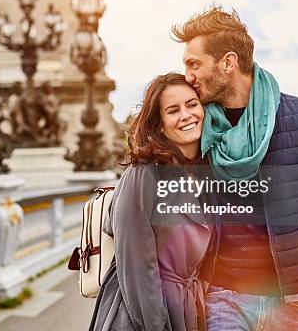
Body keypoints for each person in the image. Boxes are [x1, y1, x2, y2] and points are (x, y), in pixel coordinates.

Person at [172, 6, 298, 331]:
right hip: (221, 295)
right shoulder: (194, 126)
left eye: (194, 64)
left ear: (228, 62)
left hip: (290, 301)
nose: (188, 76)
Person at [89, 73, 214, 331]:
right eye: (173, 110)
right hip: (141, 316)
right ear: (159, 124)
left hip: (185, 311)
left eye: (192, 104)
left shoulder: (202, 173)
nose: (186, 115)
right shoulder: (143, 174)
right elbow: (137, 268)